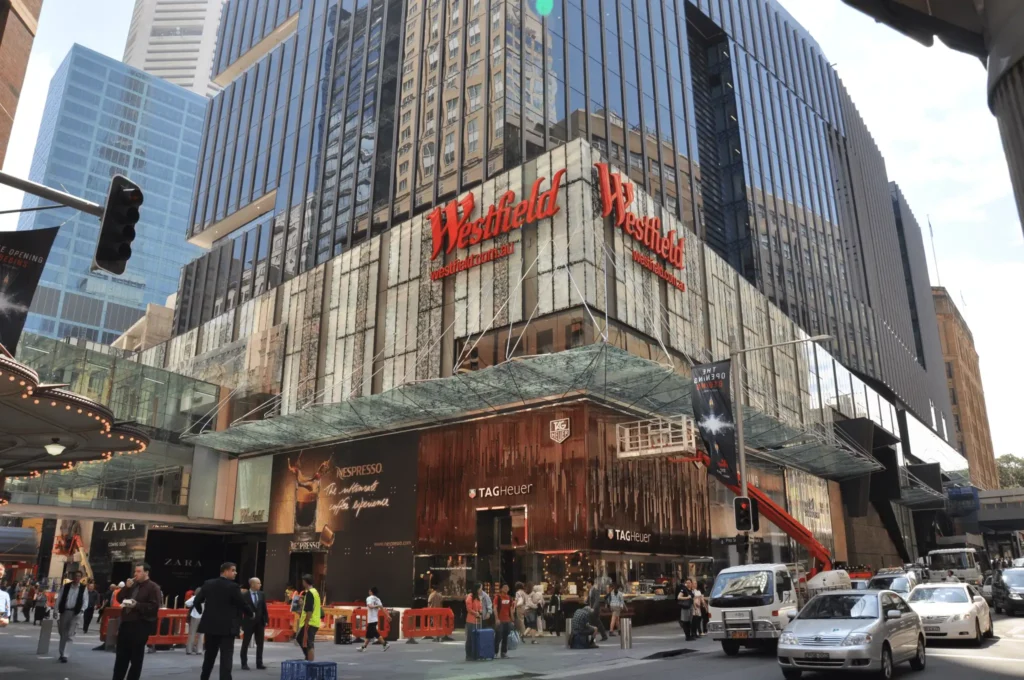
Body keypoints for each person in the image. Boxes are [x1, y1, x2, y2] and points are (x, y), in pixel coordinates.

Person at [195, 562, 254, 680]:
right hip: (227, 628)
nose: (235, 573)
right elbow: (242, 603)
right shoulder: (233, 587)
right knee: (226, 657)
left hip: (210, 626)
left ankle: (204, 677)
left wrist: (202, 613)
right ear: (225, 571)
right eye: (233, 570)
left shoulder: (208, 583)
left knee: (209, 656)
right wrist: (251, 613)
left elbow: (197, 601)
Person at [112, 562, 162, 680]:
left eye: (139, 571)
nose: (136, 574)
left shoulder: (153, 587)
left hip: (140, 626)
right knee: (121, 657)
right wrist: (126, 587)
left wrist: (137, 605)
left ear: (146, 573)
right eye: (135, 571)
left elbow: (154, 607)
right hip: (126, 624)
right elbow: (119, 599)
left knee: (136, 659)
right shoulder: (132, 585)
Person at [56, 569, 87, 663]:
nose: (77, 578)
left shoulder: (83, 588)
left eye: (79, 576)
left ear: (80, 578)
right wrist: (55, 610)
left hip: (76, 613)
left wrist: (81, 611)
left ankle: (65, 655)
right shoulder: (66, 587)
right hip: (65, 612)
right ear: (73, 577)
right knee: (63, 634)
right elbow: (59, 599)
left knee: (70, 634)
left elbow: (86, 600)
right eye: (76, 576)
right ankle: (62, 653)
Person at [240, 577, 268, 670]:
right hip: (248, 622)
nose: (260, 585)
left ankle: (259, 663)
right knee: (245, 643)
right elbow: (241, 610)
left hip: (260, 622)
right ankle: (244, 663)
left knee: (260, 644)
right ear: (252, 584)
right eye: (258, 583)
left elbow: (264, 608)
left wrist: (266, 620)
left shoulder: (261, 594)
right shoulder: (245, 595)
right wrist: (241, 623)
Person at [296, 575, 322, 660]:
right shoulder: (315, 592)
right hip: (314, 621)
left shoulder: (310, 593)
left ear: (305, 582)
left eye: (303, 581)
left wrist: (307, 621)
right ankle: (307, 657)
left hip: (310, 622)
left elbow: (309, 609)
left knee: (308, 642)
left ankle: (310, 661)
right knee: (300, 638)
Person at [359, 585, 390, 653]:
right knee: (368, 634)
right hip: (375, 619)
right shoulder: (378, 599)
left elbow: (370, 606)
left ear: (371, 592)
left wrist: (377, 606)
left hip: (371, 619)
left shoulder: (369, 598)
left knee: (375, 633)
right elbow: (382, 608)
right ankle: (363, 647)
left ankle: (385, 644)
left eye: (369, 591)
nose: (368, 592)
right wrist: (387, 616)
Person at [493, 583, 514, 658]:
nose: (506, 588)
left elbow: (511, 609)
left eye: (507, 587)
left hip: (507, 620)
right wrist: (496, 619)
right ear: (501, 589)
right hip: (500, 620)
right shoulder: (497, 597)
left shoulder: (509, 598)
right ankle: (495, 652)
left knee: (505, 637)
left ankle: (503, 652)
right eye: (504, 587)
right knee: (498, 637)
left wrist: (512, 620)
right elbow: (495, 608)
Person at [184, 586, 204, 655]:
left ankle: (189, 649)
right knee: (201, 634)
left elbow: (187, 603)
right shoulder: (206, 598)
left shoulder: (195, 597)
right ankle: (199, 650)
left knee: (192, 633)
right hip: (203, 617)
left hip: (195, 616)